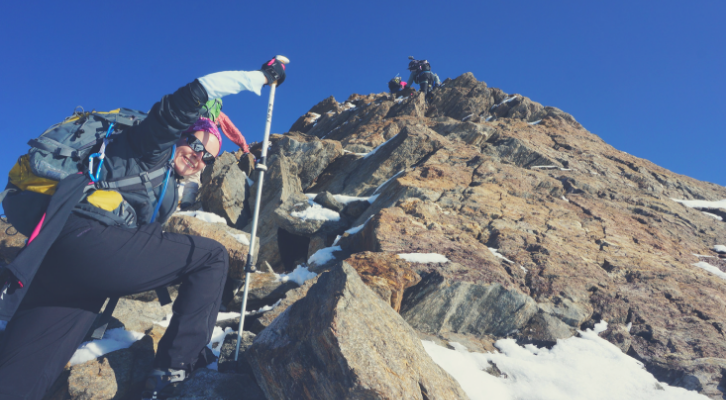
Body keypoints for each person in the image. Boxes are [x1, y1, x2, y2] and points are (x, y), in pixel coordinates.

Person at [0, 57, 287, 400]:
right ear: (179, 136)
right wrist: (257, 77)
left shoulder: (164, 187)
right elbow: (192, 95)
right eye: (196, 145)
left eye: (208, 157)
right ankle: (174, 370)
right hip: (86, 240)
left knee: (23, 376)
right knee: (211, 257)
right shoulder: (150, 145)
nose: (199, 157)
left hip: (59, 261)